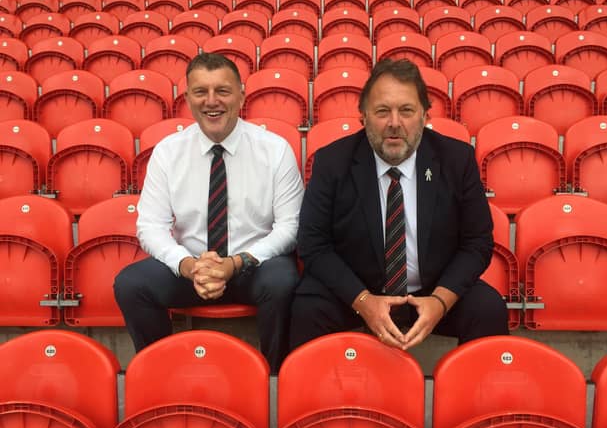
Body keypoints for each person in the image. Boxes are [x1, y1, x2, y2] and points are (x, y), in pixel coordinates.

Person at [291, 58, 508, 351]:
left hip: (432, 292)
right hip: (358, 292)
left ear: (424, 115)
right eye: (382, 111)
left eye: (406, 110)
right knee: (307, 307)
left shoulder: (457, 160)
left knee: (489, 308)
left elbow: (477, 242)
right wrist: (363, 301)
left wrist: (440, 302)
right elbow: (313, 244)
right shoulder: (332, 162)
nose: (394, 123)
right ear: (364, 117)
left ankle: (479, 396)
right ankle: (312, 396)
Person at [114, 53, 304, 372]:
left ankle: (275, 376)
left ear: (242, 96)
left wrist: (235, 263)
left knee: (283, 280)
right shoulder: (168, 152)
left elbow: (290, 227)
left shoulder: (275, 149)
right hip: (192, 268)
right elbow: (150, 226)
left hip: (252, 266)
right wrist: (187, 265)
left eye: (223, 91)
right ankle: (160, 372)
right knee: (131, 284)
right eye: (201, 92)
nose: (211, 101)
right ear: (187, 98)